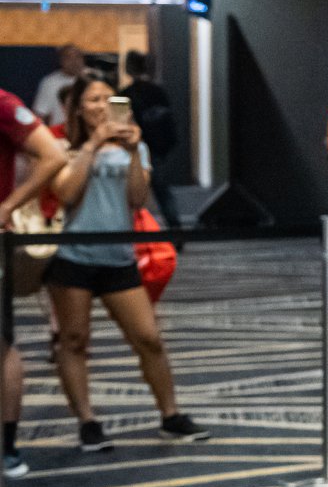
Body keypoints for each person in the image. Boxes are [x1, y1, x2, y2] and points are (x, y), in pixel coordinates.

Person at [48, 72, 208, 451]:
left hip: (119, 257)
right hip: (72, 257)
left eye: (108, 99)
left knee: (149, 338)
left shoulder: (134, 145)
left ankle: (170, 415)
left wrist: (134, 151)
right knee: (73, 340)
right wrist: (92, 147)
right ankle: (87, 421)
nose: (101, 107)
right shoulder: (60, 144)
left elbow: (137, 198)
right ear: (77, 107)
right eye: (92, 100)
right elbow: (67, 193)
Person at [1, 90, 67, 477]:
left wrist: (8, 205)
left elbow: (53, 155)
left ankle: (7, 448)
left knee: (2, 342)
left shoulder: (3, 104)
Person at [120, 50, 184, 233]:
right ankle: (176, 229)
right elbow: (169, 121)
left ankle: (134, 233)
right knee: (162, 192)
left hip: (135, 149)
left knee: (134, 193)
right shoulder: (158, 92)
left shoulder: (125, 94)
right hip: (156, 149)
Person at [32, 43, 83, 128]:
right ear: (61, 60)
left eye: (77, 56)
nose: (74, 61)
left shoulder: (92, 79)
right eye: (69, 57)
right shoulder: (49, 82)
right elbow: (40, 114)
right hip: (58, 134)